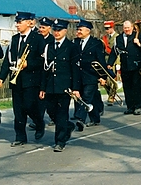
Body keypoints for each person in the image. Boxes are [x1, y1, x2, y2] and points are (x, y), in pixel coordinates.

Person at [0, 11, 46, 146]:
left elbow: (43, 61)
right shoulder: (14, 39)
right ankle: (20, 137)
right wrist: (2, 76)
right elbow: (8, 59)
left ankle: (39, 123)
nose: (17, 25)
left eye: (20, 22)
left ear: (29, 23)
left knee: (30, 106)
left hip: (31, 80)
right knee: (18, 110)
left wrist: (28, 64)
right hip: (16, 79)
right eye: (17, 22)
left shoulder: (37, 38)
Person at [39, 19, 80, 152]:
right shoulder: (49, 46)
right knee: (51, 111)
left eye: (59, 30)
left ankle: (60, 141)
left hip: (64, 87)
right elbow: (45, 70)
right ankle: (67, 126)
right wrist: (42, 88)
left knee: (62, 113)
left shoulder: (71, 47)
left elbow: (75, 69)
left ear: (65, 31)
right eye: (55, 30)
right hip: (51, 86)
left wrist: (75, 88)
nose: (56, 33)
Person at [72, 19, 107, 130]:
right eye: (78, 29)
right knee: (85, 98)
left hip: (91, 75)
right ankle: (95, 118)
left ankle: (80, 119)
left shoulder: (96, 43)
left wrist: (103, 76)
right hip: (78, 75)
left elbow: (101, 61)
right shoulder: (75, 42)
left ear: (88, 31)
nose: (78, 31)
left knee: (86, 97)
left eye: (80, 29)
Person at [107, 20, 141, 116]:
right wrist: (110, 63)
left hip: (136, 65)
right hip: (125, 66)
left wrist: (139, 44)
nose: (127, 30)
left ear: (132, 27)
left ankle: (138, 106)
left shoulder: (138, 36)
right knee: (127, 87)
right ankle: (130, 107)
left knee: (136, 86)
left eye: (128, 28)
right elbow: (114, 51)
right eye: (125, 28)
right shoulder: (119, 38)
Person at [37, 17, 55, 127]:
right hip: (38, 72)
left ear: (49, 28)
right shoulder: (37, 38)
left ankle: (54, 117)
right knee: (39, 99)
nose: (41, 29)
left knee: (48, 100)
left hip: (48, 72)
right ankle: (39, 120)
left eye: (43, 27)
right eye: (40, 27)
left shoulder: (52, 40)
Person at [101, 20, 118, 105]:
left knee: (112, 81)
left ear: (112, 27)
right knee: (105, 81)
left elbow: (115, 50)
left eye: (108, 28)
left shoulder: (117, 37)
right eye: (105, 28)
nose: (106, 30)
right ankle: (109, 94)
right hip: (105, 61)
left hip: (114, 62)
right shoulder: (105, 37)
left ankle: (111, 97)